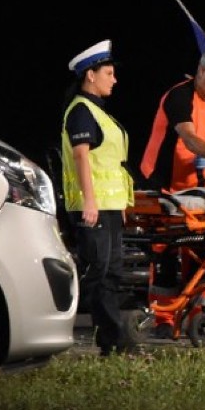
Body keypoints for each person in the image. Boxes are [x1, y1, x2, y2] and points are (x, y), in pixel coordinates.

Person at [139, 0, 205, 338]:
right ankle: (163, 320)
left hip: (197, 188)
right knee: (164, 255)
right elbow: (192, 139)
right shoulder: (179, 97)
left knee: (201, 252)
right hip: (162, 183)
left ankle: (200, 313)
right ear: (202, 70)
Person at [61, 39, 135, 356]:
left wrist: (117, 206)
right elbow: (81, 157)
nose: (114, 79)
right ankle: (116, 341)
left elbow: (109, 163)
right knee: (100, 276)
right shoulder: (81, 111)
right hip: (92, 208)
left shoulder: (96, 111)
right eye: (109, 73)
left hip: (108, 207)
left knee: (112, 274)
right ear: (90, 75)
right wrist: (90, 201)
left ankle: (112, 342)